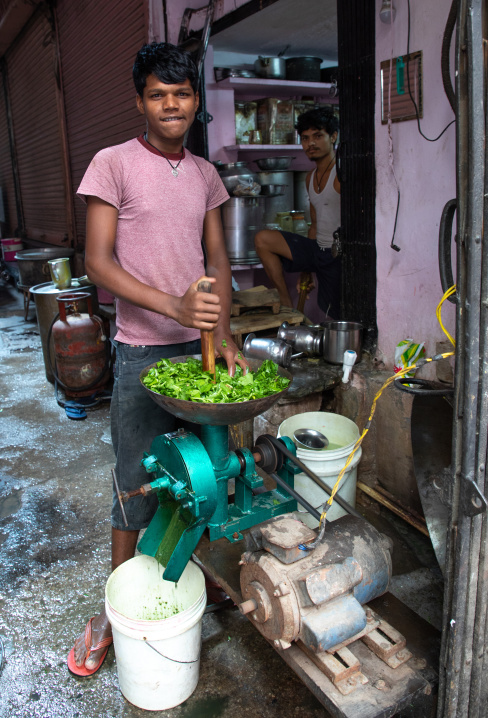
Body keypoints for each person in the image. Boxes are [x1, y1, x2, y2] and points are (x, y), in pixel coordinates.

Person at [67, 41, 247, 677]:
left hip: (199, 348)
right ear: (139, 100)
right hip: (143, 350)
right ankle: (118, 608)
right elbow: (98, 262)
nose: (171, 105)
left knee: (203, 475)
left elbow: (217, 260)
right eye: (157, 94)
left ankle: (204, 576)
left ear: (197, 101)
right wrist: (172, 307)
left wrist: (221, 330)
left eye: (182, 94)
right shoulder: (111, 164)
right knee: (135, 486)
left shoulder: (203, 174)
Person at [254, 107, 341, 319]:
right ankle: (286, 305)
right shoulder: (311, 177)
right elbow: (314, 224)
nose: (311, 143)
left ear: (333, 137)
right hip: (317, 248)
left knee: (336, 312)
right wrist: (306, 269)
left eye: (318, 136)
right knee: (263, 239)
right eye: (305, 138)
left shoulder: (341, 172)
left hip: (337, 254)